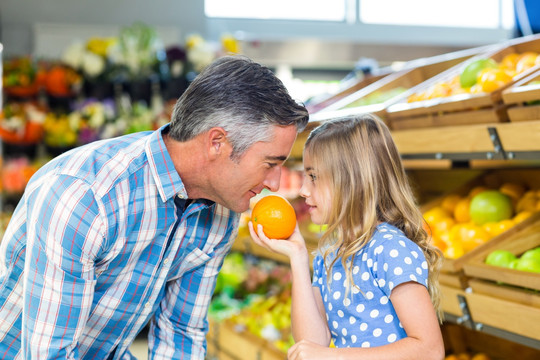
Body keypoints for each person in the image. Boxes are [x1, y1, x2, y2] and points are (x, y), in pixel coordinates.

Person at [0, 55, 309, 359]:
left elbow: (181, 332)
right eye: (270, 163)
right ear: (217, 142)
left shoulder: (222, 210)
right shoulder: (87, 196)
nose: (275, 183)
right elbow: (47, 353)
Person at [249, 114, 445, 360]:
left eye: (314, 177)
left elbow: (429, 349)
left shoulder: (391, 249)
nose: (303, 191)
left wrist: (335, 356)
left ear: (352, 181)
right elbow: (312, 343)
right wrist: (297, 257)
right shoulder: (330, 254)